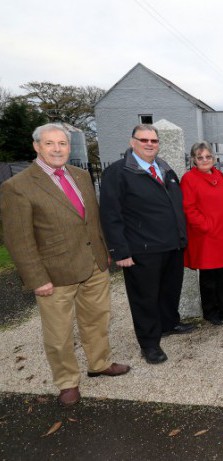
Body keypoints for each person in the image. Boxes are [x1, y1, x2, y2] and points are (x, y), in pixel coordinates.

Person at [0, 123, 130, 406]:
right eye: (50, 143)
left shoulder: (81, 176)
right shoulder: (17, 187)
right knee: (59, 334)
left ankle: (100, 363)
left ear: (69, 148)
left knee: (97, 321)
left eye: (62, 144)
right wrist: (37, 278)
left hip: (94, 266)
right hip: (54, 274)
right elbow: (18, 238)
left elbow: (92, 219)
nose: (57, 149)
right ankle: (67, 382)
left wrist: (103, 252)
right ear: (36, 147)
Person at [99, 124, 194, 366]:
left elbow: (175, 207)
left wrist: (181, 238)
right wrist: (120, 251)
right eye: (144, 140)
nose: (149, 144)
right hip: (142, 249)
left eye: (153, 140)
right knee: (145, 297)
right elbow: (111, 214)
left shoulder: (165, 169)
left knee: (170, 290)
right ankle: (149, 343)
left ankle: (168, 324)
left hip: (171, 245)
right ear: (132, 142)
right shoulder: (118, 173)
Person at [181, 142, 223, 325]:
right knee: (209, 278)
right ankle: (210, 312)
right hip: (206, 236)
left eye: (208, 157)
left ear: (214, 158)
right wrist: (207, 226)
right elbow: (188, 209)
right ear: (194, 160)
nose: (205, 160)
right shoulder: (189, 179)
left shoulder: (218, 174)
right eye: (200, 157)